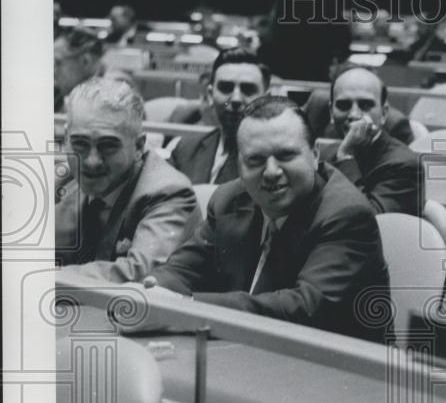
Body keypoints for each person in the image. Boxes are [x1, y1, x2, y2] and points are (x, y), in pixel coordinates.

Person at [147, 96, 390, 342]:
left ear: (315, 155)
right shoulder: (228, 199)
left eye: (286, 155)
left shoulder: (347, 214)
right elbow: (183, 269)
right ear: (239, 164)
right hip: (249, 353)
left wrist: (185, 306)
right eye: (255, 160)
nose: (272, 172)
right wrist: (147, 291)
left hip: (342, 367)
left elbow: (302, 308)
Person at [55, 76, 201, 282]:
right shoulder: (61, 180)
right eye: (80, 143)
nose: (91, 161)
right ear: (67, 139)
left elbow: (138, 273)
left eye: (108, 145)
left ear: (139, 146)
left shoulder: (170, 191)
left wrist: (42, 277)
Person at [315, 65, 421, 216]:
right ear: (332, 112)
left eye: (365, 105)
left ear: (384, 113)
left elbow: (367, 221)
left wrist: (346, 157)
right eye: (343, 105)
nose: (354, 114)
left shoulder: (405, 165)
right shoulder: (324, 154)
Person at [169, 48, 270, 184]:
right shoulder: (186, 150)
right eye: (226, 88)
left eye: (248, 89)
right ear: (210, 95)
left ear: (266, 99)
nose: (235, 99)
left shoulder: (273, 159)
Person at [54, 27, 104, 112]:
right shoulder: (59, 93)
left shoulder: (112, 98)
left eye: (58, 63)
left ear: (85, 61)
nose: (53, 71)